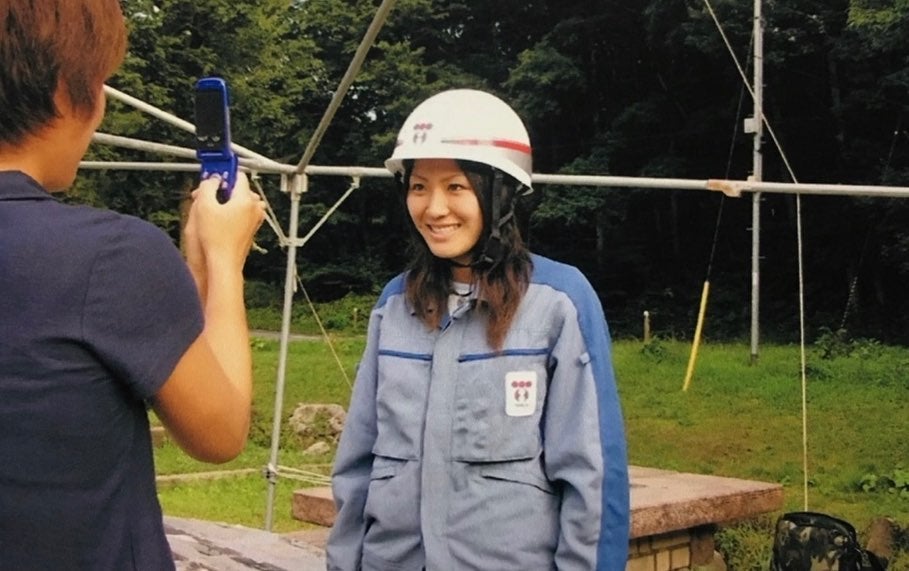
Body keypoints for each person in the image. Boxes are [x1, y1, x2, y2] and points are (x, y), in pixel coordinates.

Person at [0, 1, 266, 569]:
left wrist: (186, 273)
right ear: (70, 95)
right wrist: (223, 261)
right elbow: (219, 432)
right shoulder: (109, 256)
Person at [327, 88, 630, 570]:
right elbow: (357, 467)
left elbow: (594, 475)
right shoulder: (394, 306)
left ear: (501, 194)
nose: (433, 208)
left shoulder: (558, 303)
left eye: (456, 186)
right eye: (419, 186)